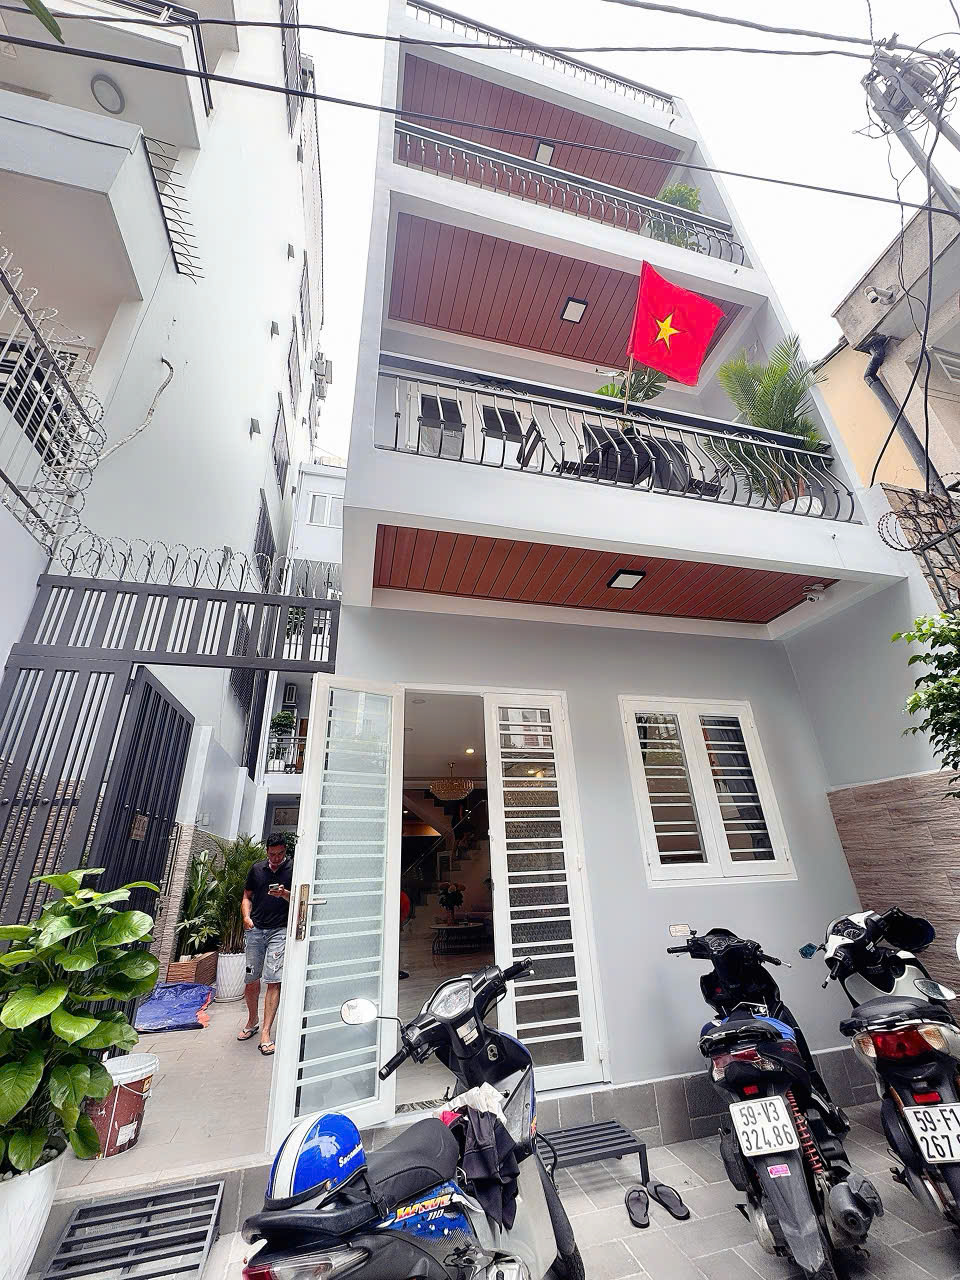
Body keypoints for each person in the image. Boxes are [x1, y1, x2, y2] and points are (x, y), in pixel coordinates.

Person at [238, 835, 292, 1055]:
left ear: (285, 850)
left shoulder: (294, 868)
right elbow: (246, 896)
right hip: (256, 929)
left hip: (280, 930)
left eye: (280, 854)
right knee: (251, 979)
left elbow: (301, 899)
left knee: (273, 980)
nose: (276, 858)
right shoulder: (257, 869)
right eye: (272, 854)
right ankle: (252, 1020)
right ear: (267, 852)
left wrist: (285, 894)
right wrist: (246, 918)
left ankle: (266, 1033)